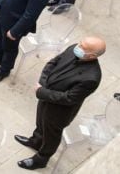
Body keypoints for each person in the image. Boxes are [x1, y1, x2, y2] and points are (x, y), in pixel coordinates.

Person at [14, 37, 104, 170]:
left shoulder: (92, 77)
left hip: (59, 111)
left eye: (83, 47)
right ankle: (35, 141)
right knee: (40, 122)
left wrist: (42, 92)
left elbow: (69, 98)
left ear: (92, 56)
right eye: (80, 43)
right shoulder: (73, 48)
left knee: (51, 135)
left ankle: (41, 159)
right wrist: (43, 85)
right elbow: (52, 63)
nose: (78, 47)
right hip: (46, 95)